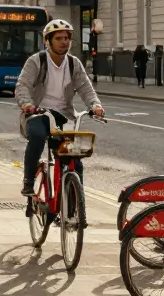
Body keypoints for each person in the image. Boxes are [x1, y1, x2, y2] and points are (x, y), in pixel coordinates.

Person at [15, 20, 105, 198]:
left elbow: (86, 88)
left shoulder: (73, 63)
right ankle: (28, 181)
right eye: (58, 38)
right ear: (47, 41)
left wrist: (95, 105)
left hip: (64, 115)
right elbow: (22, 86)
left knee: (75, 159)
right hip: (38, 113)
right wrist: (27, 104)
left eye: (67, 38)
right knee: (38, 137)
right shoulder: (36, 61)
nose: (64, 42)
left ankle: (75, 203)